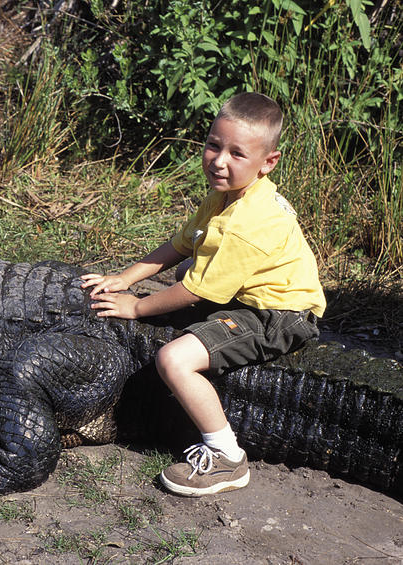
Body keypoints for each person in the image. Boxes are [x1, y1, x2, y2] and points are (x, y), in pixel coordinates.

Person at [80, 92, 326, 496]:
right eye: (214, 145)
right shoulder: (226, 195)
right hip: (259, 289)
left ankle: (226, 456)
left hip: (279, 314)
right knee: (184, 265)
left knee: (173, 359)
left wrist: (137, 306)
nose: (219, 160)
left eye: (236, 153)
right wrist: (126, 277)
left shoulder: (244, 224)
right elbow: (181, 245)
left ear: (268, 162)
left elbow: (194, 290)